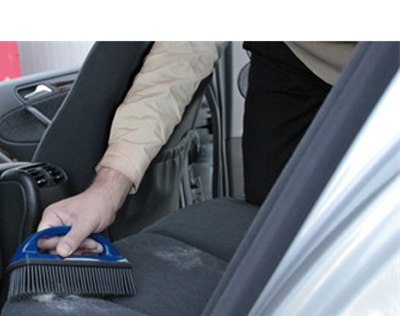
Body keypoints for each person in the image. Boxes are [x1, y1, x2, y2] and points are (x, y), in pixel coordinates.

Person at [37, 41, 357, 257]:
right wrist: (108, 189)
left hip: (376, 57)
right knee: (273, 213)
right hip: (293, 56)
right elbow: (178, 60)